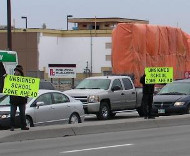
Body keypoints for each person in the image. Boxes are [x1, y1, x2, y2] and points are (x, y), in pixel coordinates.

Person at [10, 65, 29, 131]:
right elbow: (7, 86)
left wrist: (27, 96)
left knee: (22, 114)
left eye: (18, 71)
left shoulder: (24, 80)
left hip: (21, 100)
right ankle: (12, 126)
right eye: (15, 71)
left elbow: (27, 90)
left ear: (20, 72)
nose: (16, 72)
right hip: (13, 100)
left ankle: (23, 126)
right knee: (12, 114)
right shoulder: (11, 79)